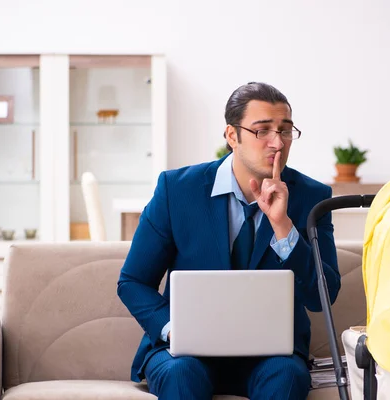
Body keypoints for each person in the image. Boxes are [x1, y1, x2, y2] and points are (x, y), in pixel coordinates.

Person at [117, 82, 340, 399]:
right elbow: (133, 281)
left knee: (287, 375)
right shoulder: (177, 190)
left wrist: (283, 227)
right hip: (186, 353)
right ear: (232, 136)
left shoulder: (311, 197)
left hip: (271, 357)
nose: (277, 143)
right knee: (181, 373)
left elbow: (323, 297)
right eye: (262, 130)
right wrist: (172, 331)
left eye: (285, 130)